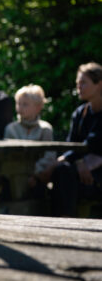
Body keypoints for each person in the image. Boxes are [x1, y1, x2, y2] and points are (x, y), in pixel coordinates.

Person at [51, 62, 102, 217]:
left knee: (63, 172)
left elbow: (93, 144)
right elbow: (71, 145)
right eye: (77, 83)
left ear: (99, 84)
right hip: (80, 170)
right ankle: (60, 222)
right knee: (59, 170)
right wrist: (80, 161)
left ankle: (65, 220)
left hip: (98, 174)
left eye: (83, 83)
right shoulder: (81, 113)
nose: (78, 87)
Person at [3, 84, 55, 197]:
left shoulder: (45, 129)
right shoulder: (10, 128)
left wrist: (35, 174)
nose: (20, 107)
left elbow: (49, 157)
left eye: (25, 104)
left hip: (39, 176)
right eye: (18, 103)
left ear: (38, 107)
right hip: (14, 175)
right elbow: (8, 156)